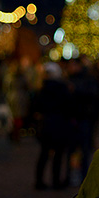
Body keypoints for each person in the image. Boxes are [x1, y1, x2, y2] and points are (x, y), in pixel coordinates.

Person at [32, 62, 72, 190]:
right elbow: (68, 106)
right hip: (60, 123)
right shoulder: (63, 88)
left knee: (44, 153)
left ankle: (39, 181)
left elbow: (36, 106)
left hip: (46, 123)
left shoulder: (42, 89)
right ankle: (56, 181)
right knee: (58, 154)